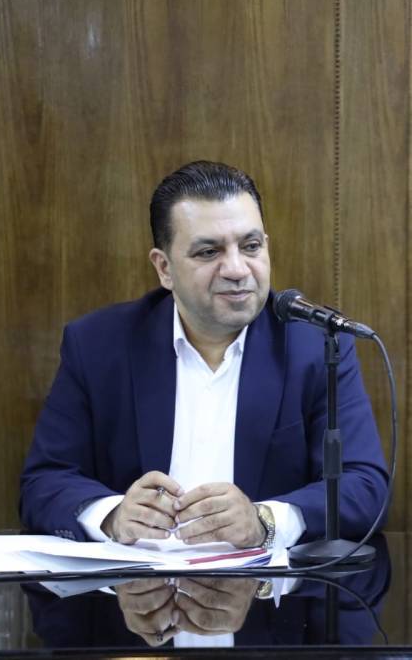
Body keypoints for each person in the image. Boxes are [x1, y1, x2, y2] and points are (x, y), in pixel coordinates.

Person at [20, 160, 389, 550]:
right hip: (133, 583)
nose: (236, 269)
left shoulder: (316, 346)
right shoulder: (98, 345)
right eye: (209, 251)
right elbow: (44, 481)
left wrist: (265, 520)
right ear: (164, 268)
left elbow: (365, 487)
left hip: (266, 586)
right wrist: (111, 516)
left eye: (250, 246)